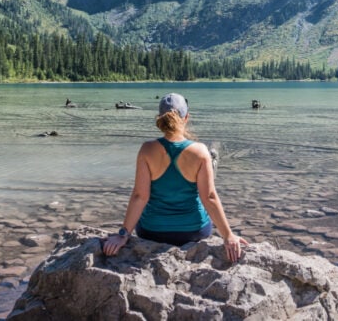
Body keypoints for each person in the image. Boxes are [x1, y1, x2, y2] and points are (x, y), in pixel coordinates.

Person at [103, 93, 247, 262]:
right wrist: (228, 235)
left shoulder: (147, 150)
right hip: (193, 232)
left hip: (152, 231)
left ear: (160, 119)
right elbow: (209, 197)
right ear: (186, 118)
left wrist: (123, 234)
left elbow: (140, 196)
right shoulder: (200, 151)